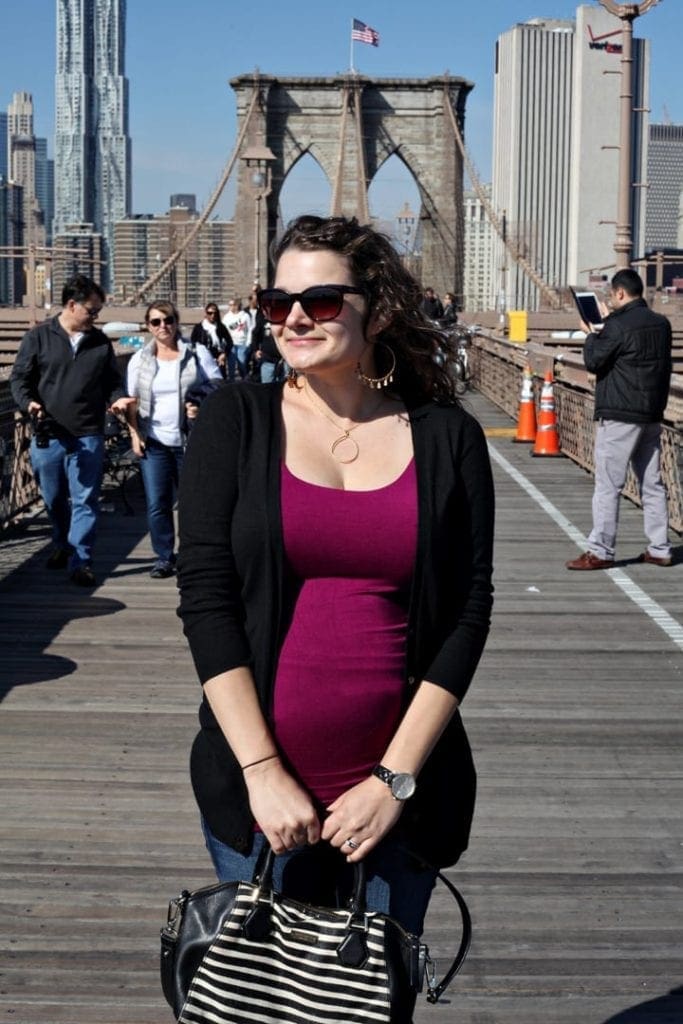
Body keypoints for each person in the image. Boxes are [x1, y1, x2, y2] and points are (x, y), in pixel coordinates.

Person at [176, 214, 495, 973]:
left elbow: (468, 609)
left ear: (376, 309)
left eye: (320, 301)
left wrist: (394, 782)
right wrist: (261, 773)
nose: (292, 317)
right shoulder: (237, 420)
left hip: (397, 806)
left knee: (370, 1004)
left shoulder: (447, 438)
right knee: (265, 1003)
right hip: (262, 807)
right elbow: (205, 597)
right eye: (275, 300)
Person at [10, 273, 133, 587]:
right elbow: (19, 380)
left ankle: (82, 561)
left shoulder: (100, 343)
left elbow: (111, 383)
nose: (95, 317)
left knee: (85, 499)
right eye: (91, 311)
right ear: (71, 305)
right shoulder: (38, 338)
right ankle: (62, 543)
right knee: (52, 498)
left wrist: (118, 400)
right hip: (48, 433)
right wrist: (30, 405)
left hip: (88, 432)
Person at [566, 268, 672, 570]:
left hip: (619, 414)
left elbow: (594, 361)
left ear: (621, 293)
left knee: (608, 484)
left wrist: (591, 335)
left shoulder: (617, 325)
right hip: (651, 413)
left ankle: (600, 550)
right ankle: (660, 547)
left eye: (612, 295)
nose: (611, 300)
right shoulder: (661, 324)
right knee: (652, 484)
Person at [125, 300, 222, 579]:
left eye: (168, 320)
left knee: (193, 502)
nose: (163, 326)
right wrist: (133, 435)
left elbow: (217, 385)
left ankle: (193, 555)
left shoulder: (195, 352)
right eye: (155, 322)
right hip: (153, 442)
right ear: (148, 326)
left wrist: (197, 401)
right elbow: (131, 401)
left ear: (177, 322)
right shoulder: (139, 360)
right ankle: (164, 557)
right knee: (158, 503)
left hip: (189, 440)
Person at [190, 303, 232, 377]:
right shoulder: (199, 327)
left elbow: (230, 342)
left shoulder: (220, 327)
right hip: (203, 359)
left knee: (220, 381)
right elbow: (192, 342)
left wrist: (224, 354)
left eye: (215, 313)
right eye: (210, 313)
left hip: (218, 358)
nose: (213, 315)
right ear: (206, 313)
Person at [222, 297, 251, 378]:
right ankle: (231, 384)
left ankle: (244, 382)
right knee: (231, 366)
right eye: (230, 305)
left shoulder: (245, 316)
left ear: (238, 305)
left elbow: (250, 329)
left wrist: (248, 342)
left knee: (242, 365)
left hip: (242, 344)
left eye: (233, 305)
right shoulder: (226, 317)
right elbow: (224, 331)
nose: (231, 307)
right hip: (231, 345)